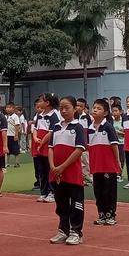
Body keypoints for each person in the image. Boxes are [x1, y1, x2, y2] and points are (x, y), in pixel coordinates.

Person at [48, 96, 87, 245]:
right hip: (57, 174)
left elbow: (79, 149)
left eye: (67, 108)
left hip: (72, 172)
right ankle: (63, 230)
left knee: (76, 203)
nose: (63, 111)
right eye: (61, 108)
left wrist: (63, 166)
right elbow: (51, 148)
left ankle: (76, 231)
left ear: (75, 109)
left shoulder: (78, 127)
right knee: (61, 203)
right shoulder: (56, 127)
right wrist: (53, 166)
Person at [88, 99, 121, 226]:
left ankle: (110, 214)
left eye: (99, 108)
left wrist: (117, 161)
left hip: (108, 166)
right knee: (98, 191)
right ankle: (101, 214)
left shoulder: (108, 127)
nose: (95, 110)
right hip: (96, 166)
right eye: (94, 108)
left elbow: (114, 145)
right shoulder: (90, 128)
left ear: (106, 113)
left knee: (109, 191)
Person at [32, 93, 59, 203]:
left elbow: (51, 132)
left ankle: (52, 192)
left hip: (47, 145)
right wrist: (35, 138)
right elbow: (35, 128)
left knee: (49, 169)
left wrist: (42, 143)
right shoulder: (40, 115)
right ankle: (44, 192)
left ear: (47, 103)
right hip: (39, 145)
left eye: (41, 101)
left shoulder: (54, 115)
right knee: (41, 170)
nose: (39, 103)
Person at [111, 104, 125, 181]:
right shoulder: (111, 121)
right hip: (113, 143)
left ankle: (119, 174)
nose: (114, 113)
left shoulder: (123, 121)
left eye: (116, 111)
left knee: (121, 159)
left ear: (120, 112)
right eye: (113, 111)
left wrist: (118, 133)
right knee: (113, 159)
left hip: (122, 143)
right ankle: (114, 173)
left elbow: (127, 133)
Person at [6, 103, 22, 167]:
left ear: (13, 108)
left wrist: (16, 135)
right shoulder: (7, 116)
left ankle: (16, 162)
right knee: (8, 149)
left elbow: (17, 125)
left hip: (13, 135)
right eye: (7, 107)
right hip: (7, 135)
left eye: (9, 107)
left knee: (16, 149)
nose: (7, 109)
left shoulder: (15, 116)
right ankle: (7, 163)